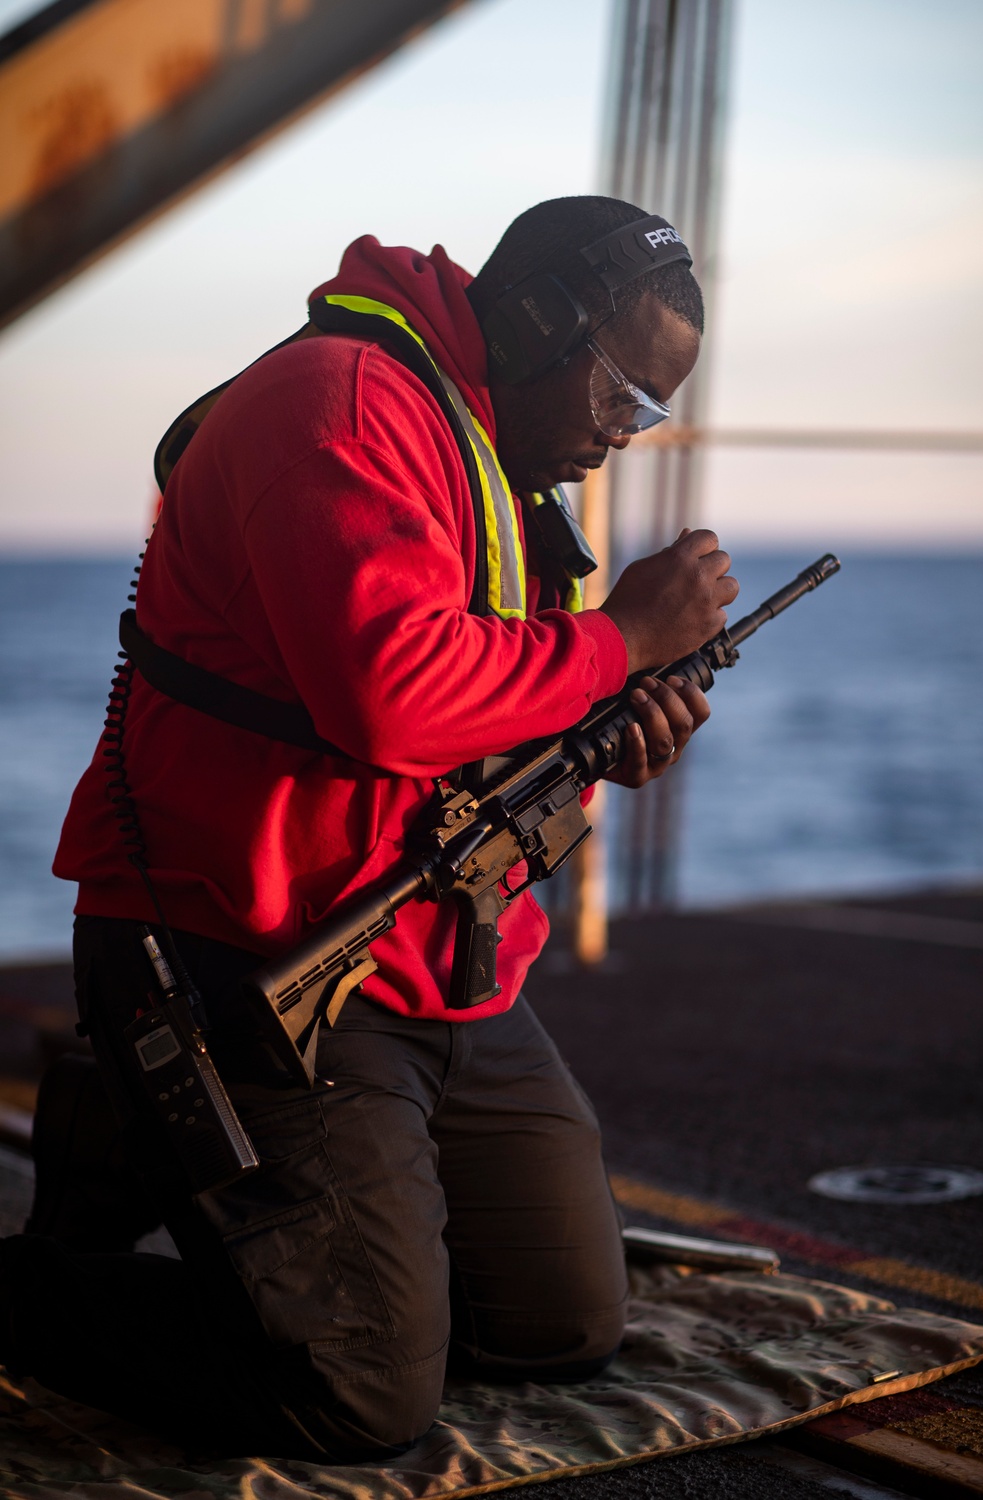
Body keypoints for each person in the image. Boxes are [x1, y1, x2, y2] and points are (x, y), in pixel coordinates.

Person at [1, 196, 737, 1461]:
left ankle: (126, 1140)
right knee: (357, 1399)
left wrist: (605, 728)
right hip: (246, 951)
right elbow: (391, 697)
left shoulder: (496, 451)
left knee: (559, 1327)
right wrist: (622, 639)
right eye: (621, 397)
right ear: (535, 322)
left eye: (647, 413)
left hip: (424, 963)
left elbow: (484, 707)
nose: (622, 439)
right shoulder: (339, 406)